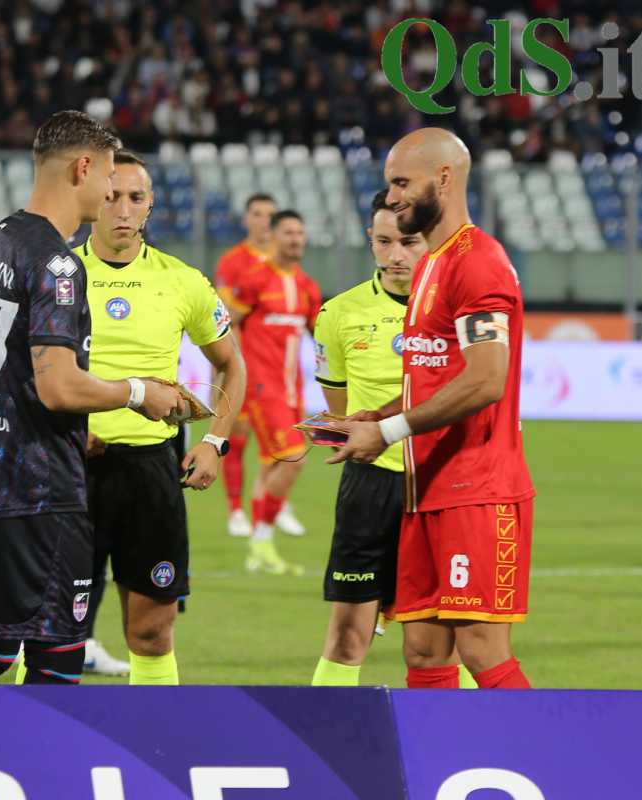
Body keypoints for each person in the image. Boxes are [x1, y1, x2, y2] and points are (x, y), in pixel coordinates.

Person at [0, 110, 182, 685]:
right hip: (37, 494)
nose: (111, 194)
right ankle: (50, 775)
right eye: (108, 178)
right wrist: (139, 393)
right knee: (57, 662)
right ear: (83, 168)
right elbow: (59, 385)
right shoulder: (57, 263)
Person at [328, 128, 535, 690]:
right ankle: (437, 771)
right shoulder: (430, 266)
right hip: (426, 489)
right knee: (421, 650)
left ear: (443, 179)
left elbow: (487, 380)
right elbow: (435, 374)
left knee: (481, 648)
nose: (391, 198)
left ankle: (545, 764)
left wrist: (390, 430)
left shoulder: (479, 263)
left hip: (478, 490)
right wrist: (379, 414)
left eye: (401, 183)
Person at [30, 150, 246, 684]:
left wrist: (215, 442)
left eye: (137, 198)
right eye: (113, 196)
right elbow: (22, 375)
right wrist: (61, 431)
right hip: (69, 469)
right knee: (51, 627)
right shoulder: (58, 274)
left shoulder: (183, 281)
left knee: (152, 632)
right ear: (94, 200)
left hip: (151, 471)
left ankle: (156, 745)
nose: (123, 209)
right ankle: (34, 745)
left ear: (150, 206)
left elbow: (232, 366)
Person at [310, 191, 477, 689]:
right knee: (346, 636)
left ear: (429, 240)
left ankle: (471, 743)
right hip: (372, 488)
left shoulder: (460, 310)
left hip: (443, 487)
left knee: (449, 640)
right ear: (371, 241)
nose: (397, 255)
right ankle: (325, 747)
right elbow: (340, 410)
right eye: (384, 242)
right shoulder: (338, 314)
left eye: (408, 241)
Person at [224, 210, 322, 576]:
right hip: (263, 386)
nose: (296, 239)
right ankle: (262, 536)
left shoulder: (308, 286)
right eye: (289, 232)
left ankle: (258, 551)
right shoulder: (254, 280)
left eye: (300, 232)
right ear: (274, 237)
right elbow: (230, 321)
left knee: (271, 465)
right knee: (294, 458)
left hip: (293, 389)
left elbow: (318, 335)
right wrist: (235, 368)